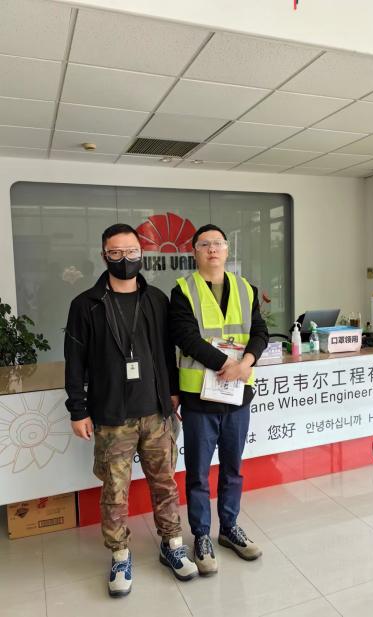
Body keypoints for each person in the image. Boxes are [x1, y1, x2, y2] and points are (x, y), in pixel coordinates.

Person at [64, 223, 198, 598]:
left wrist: (173, 392)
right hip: (112, 416)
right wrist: (78, 410)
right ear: (104, 255)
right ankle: (120, 554)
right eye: (116, 253)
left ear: (142, 253)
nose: (125, 259)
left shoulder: (156, 299)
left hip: (157, 413)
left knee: (165, 483)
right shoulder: (86, 305)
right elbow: (74, 362)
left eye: (132, 252)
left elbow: (167, 352)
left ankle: (172, 545)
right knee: (114, 491)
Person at [170, 223, 269, 576]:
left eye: (218, 243)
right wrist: (228, 364)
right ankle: (201, 535)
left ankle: (229, 528)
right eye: (205, 244)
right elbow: (185, 336)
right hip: (200, 398)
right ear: (195, 252)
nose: (212, 249)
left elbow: (259, 331)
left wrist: (246, 363)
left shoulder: (246, 288)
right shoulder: (183, 290)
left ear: (227, 250)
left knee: (233, 468)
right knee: (198, 473)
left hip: (237, 396)